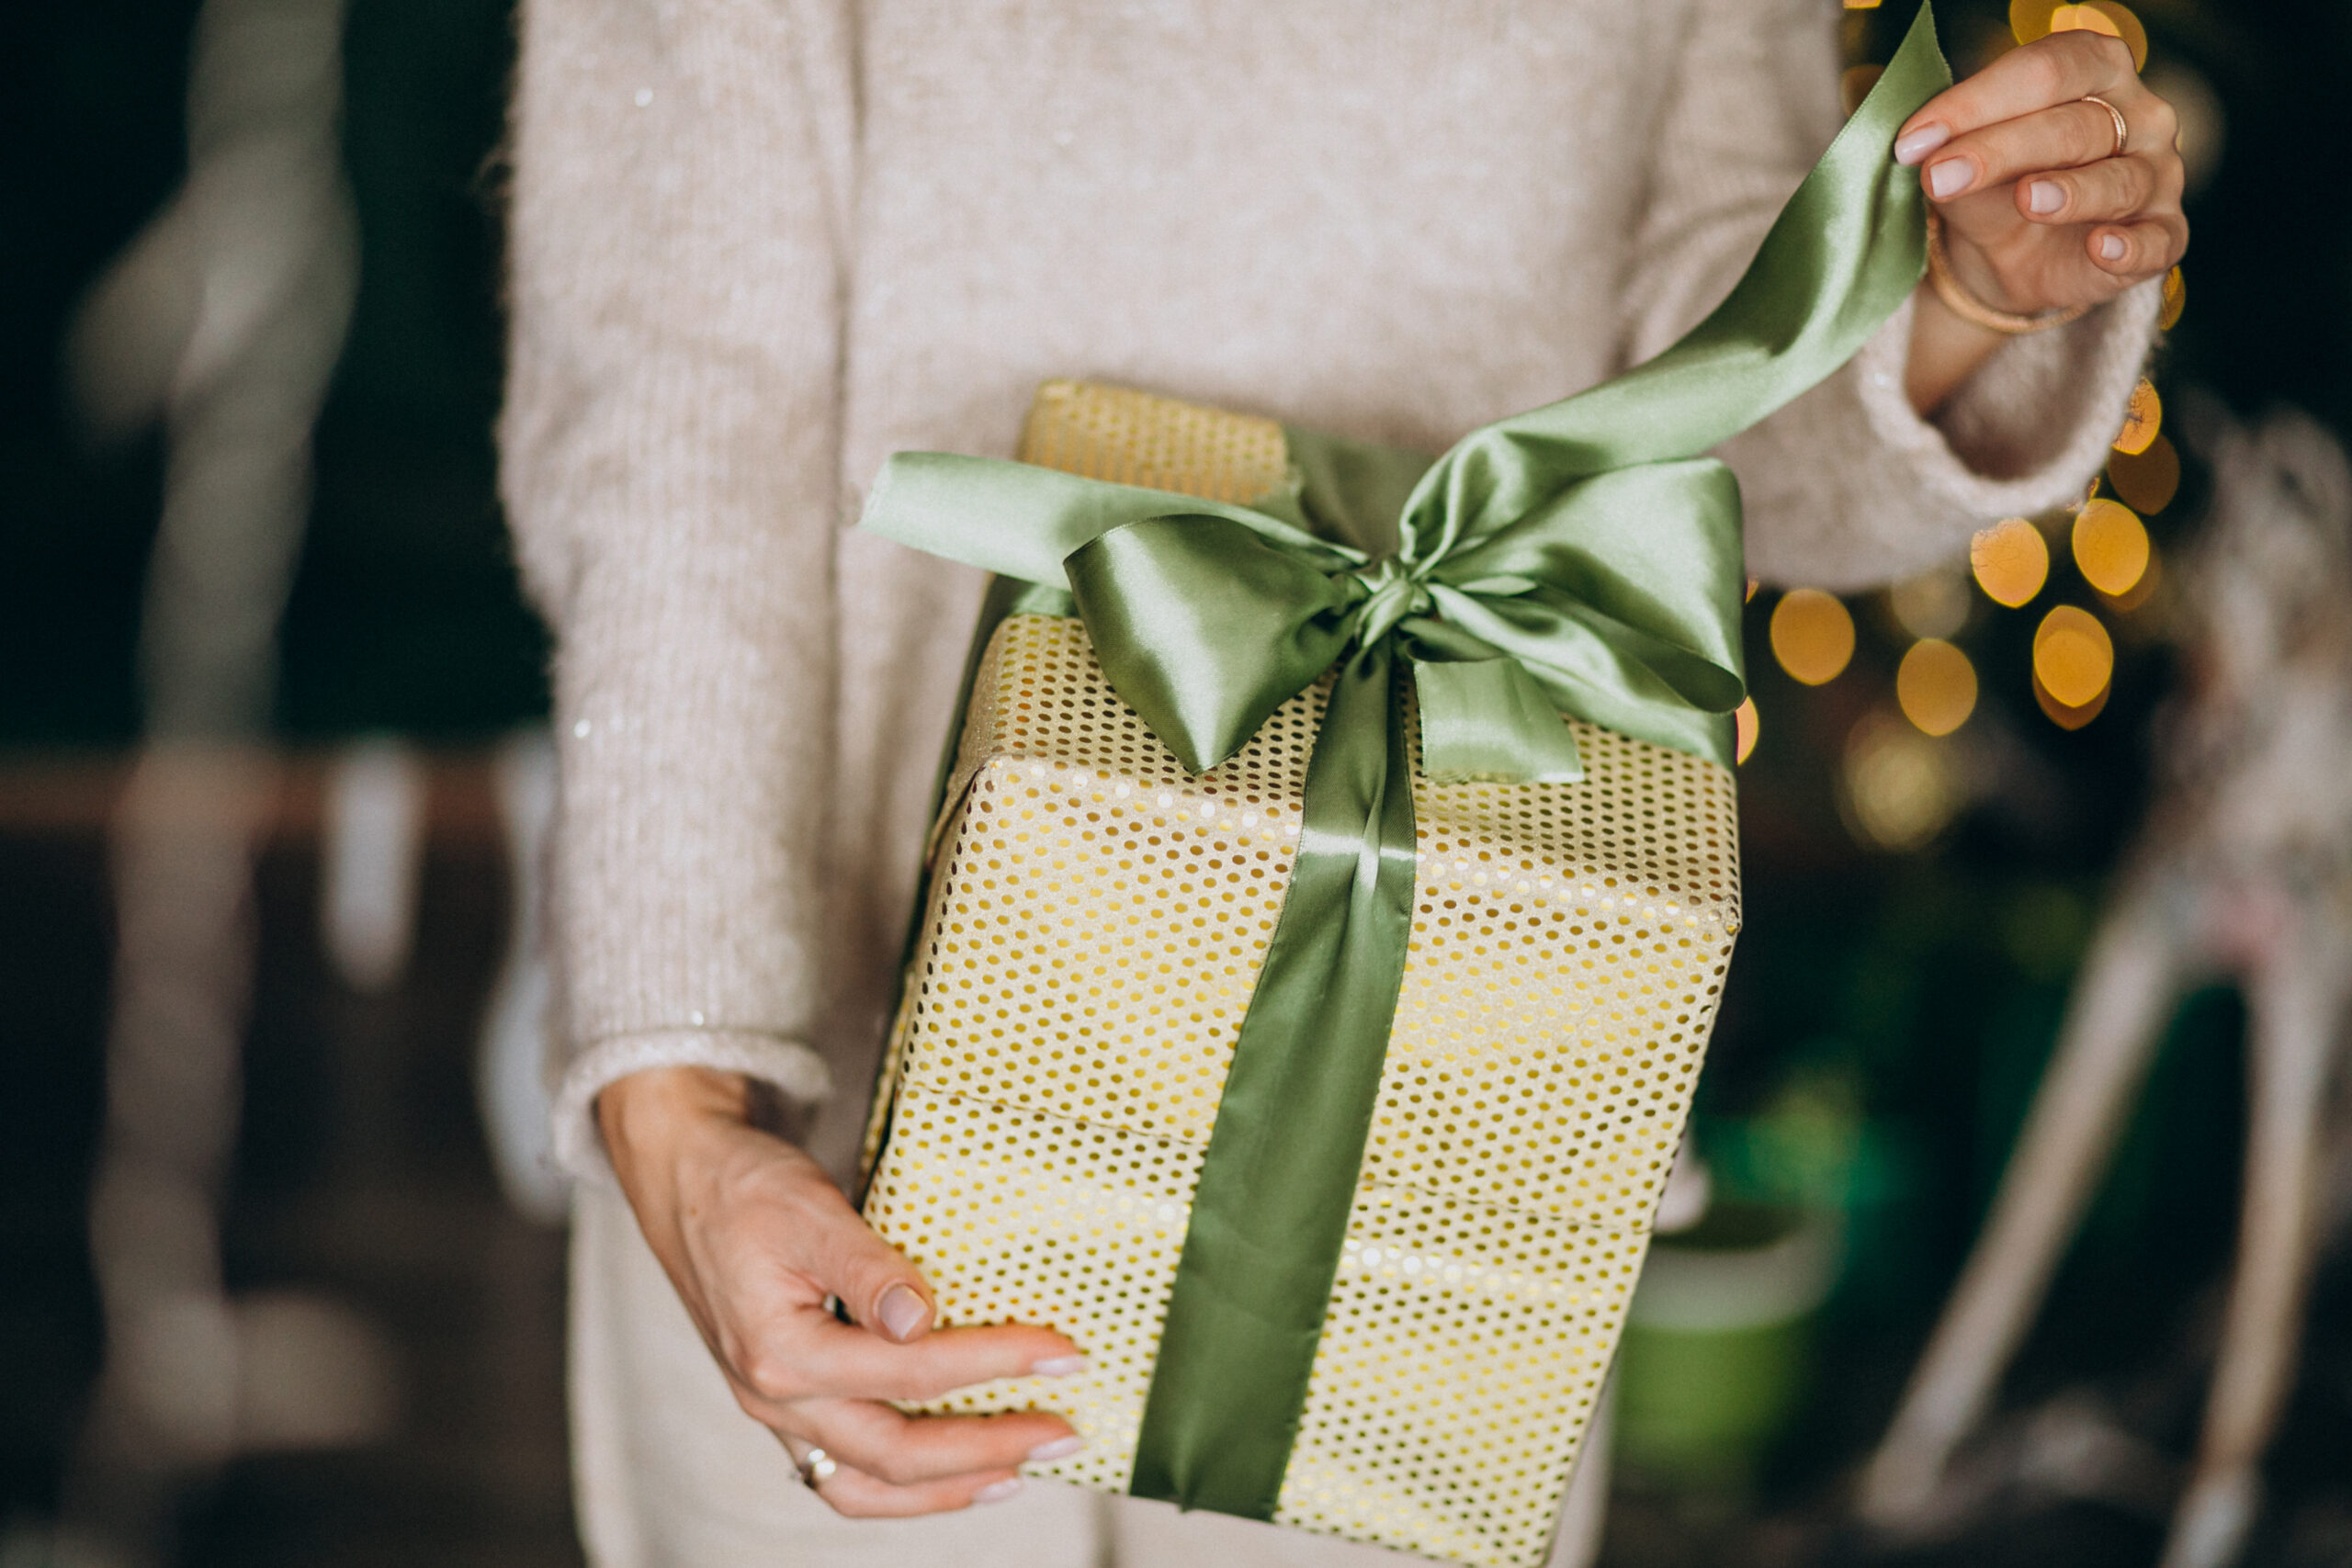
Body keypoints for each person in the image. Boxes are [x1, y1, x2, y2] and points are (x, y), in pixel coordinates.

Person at [497, 2, 2187, 1562]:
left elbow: (1704, 421)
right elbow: (680, 425)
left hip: (1454, 1093)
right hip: (841, 1103)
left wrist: (1958, 298)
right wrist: (688, 1106)